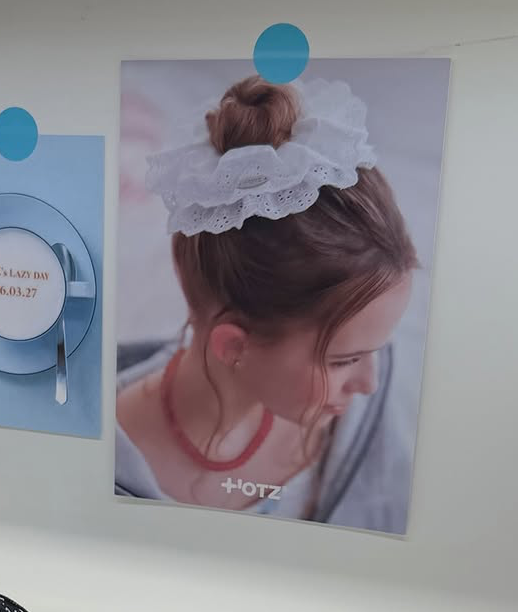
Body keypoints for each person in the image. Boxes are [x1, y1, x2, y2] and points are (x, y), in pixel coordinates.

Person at [116, 74, 418, 533]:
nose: (369, 384)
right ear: (234, 347)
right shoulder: (111, 468)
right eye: (343, 361)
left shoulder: (358, 420)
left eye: (375, 350)